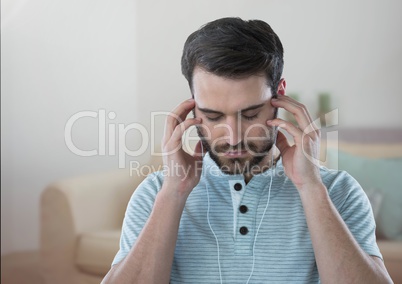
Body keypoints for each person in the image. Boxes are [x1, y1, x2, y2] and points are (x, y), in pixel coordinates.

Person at [102, 17, 392, 283]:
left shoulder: (337, 191)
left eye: (251, 114)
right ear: (192, 105)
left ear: (279, 95)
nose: (233, 137)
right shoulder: (156, 193)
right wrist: (174, 193)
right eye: (213, 116)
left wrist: (310, 188)